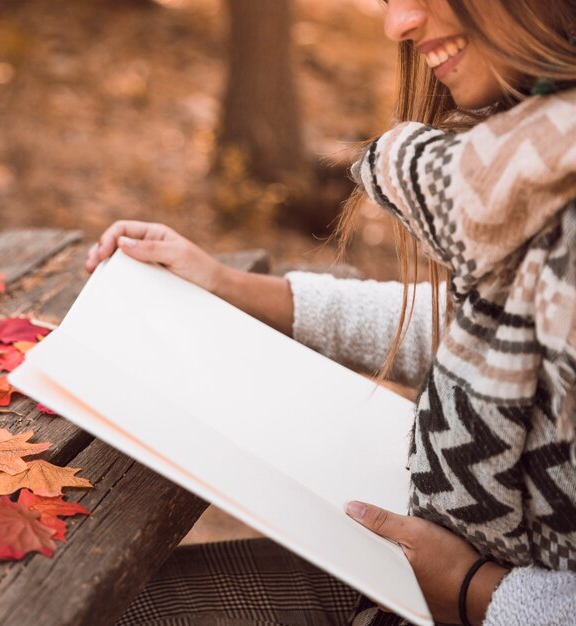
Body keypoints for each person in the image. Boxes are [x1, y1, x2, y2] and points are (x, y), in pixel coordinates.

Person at [87, 1, 576, 624]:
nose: (397, 24)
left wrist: (472, 591)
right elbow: (477, 333)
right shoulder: (534, 174)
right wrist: (227, 285)